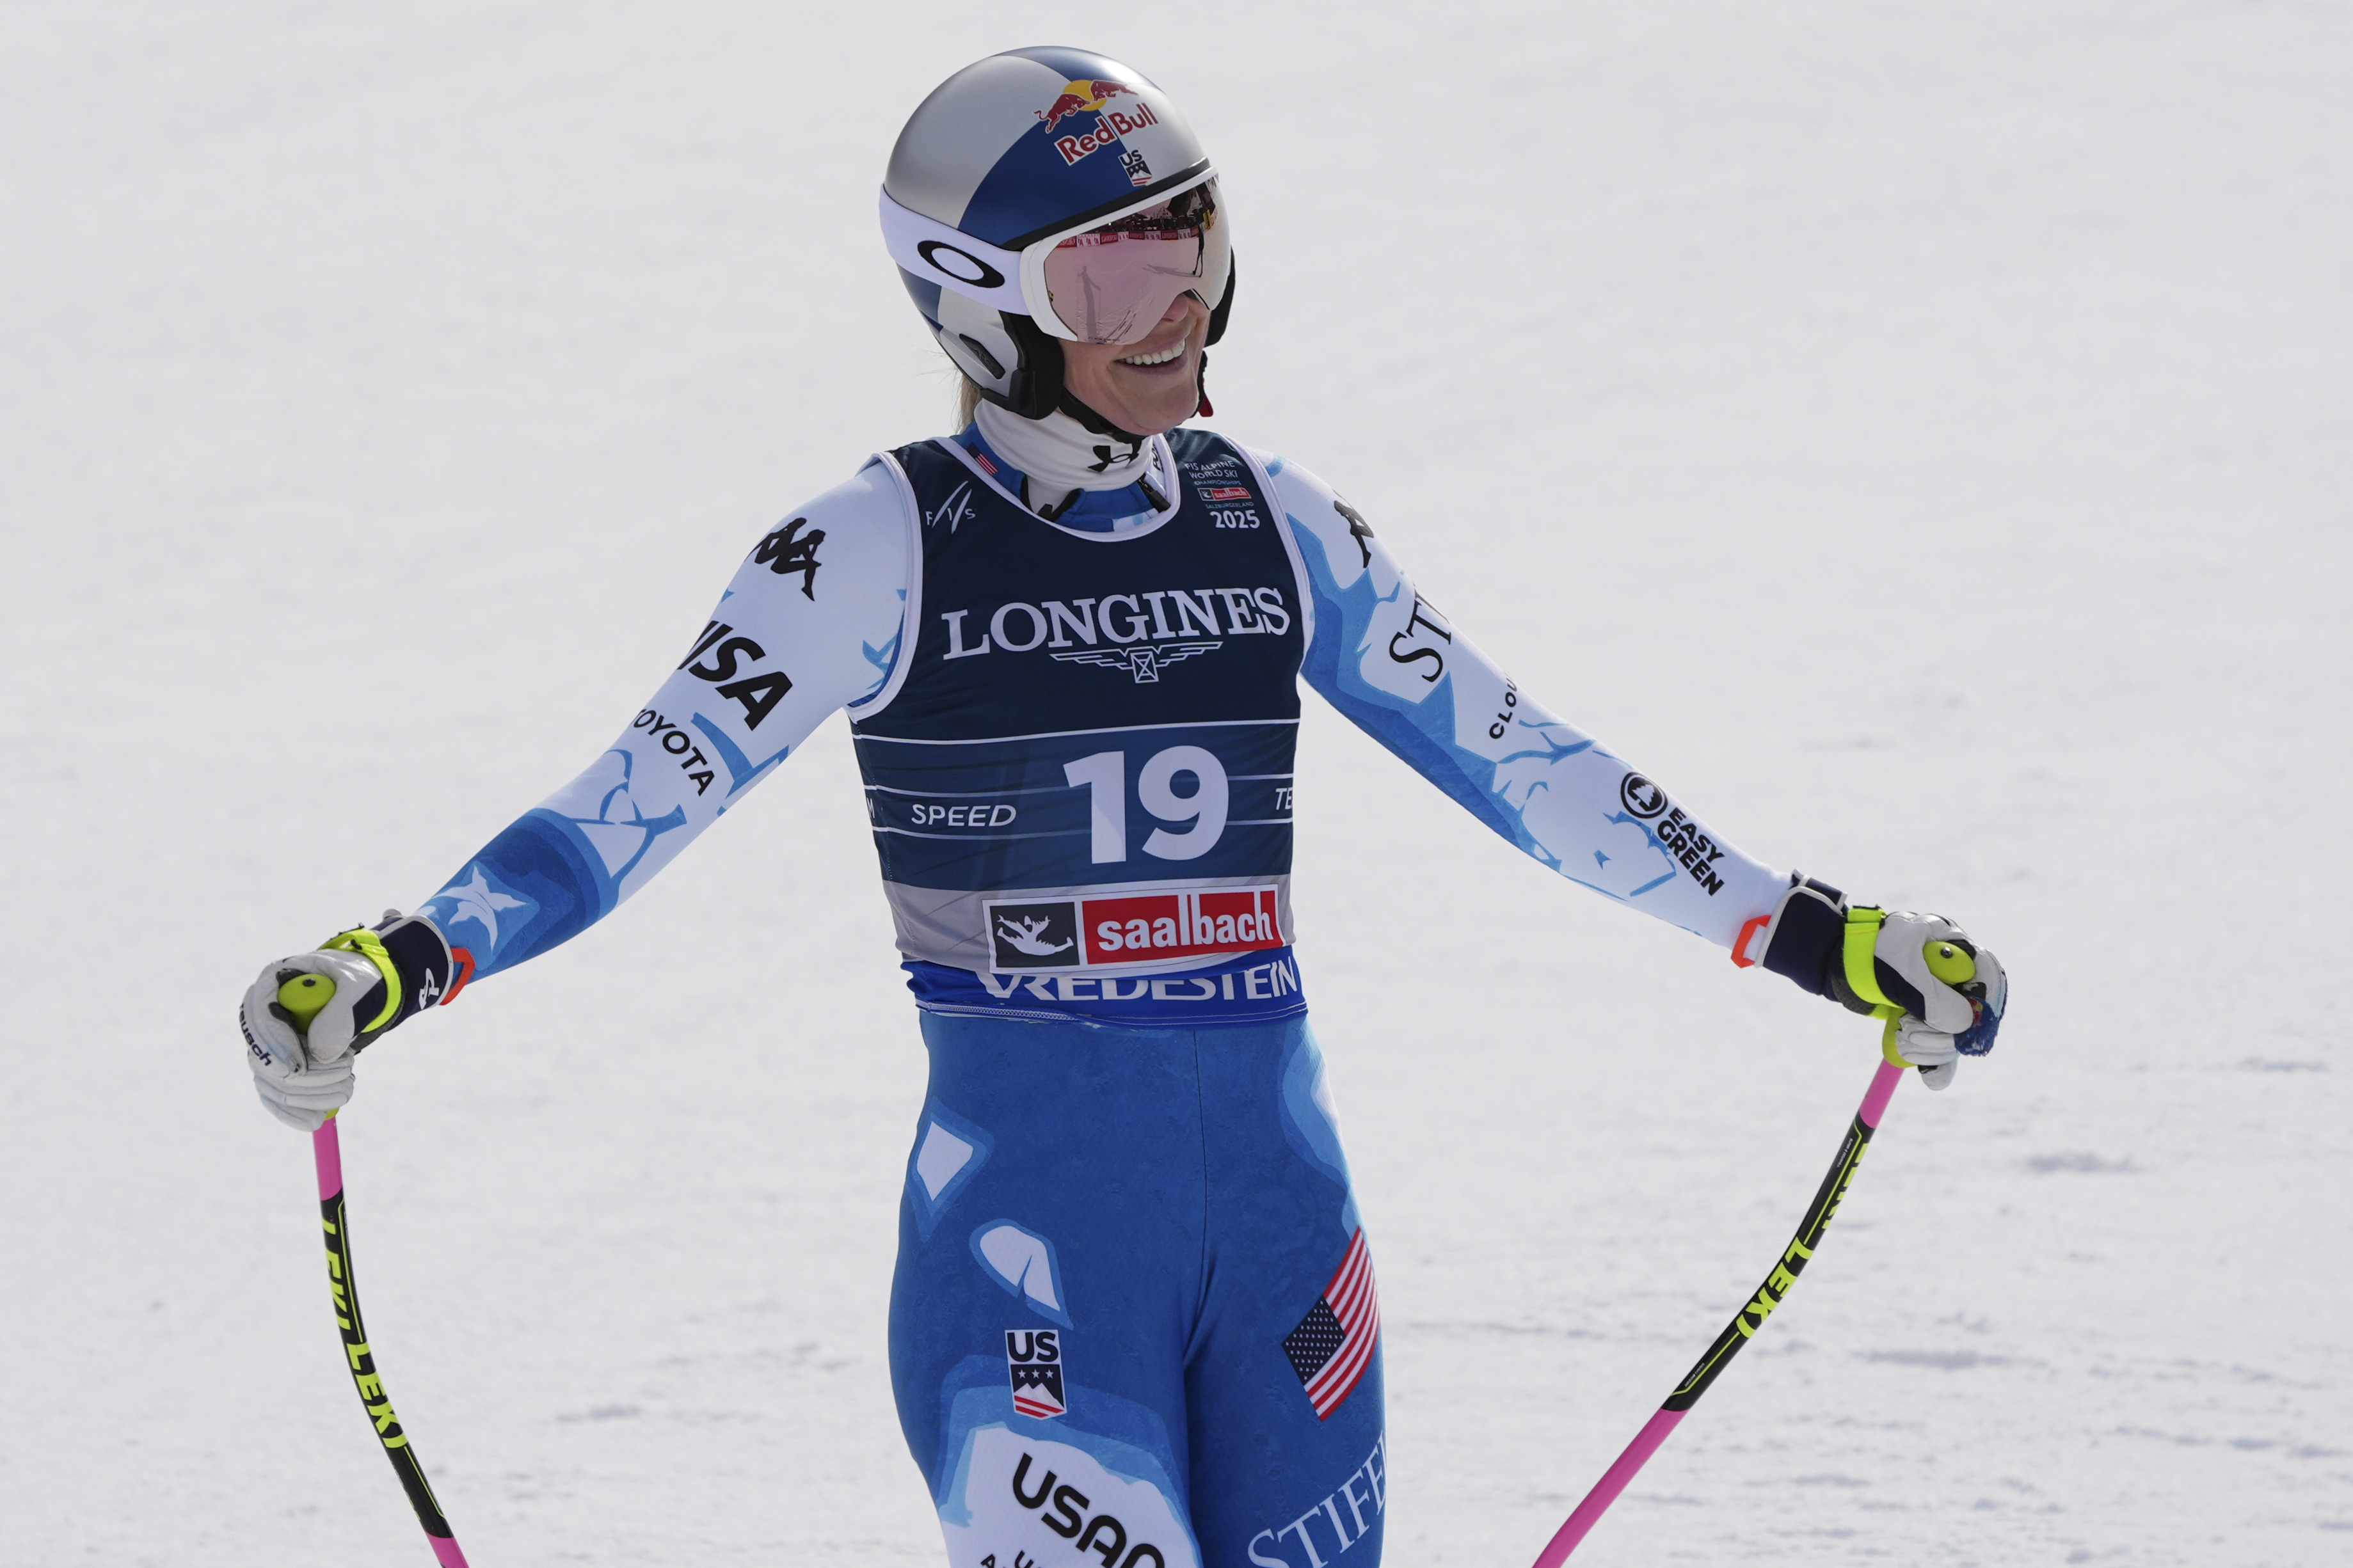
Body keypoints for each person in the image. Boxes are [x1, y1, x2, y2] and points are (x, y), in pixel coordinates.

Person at [239, 46, 2007, 1568]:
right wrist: (398, 964)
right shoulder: (874, 547)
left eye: (1196, 253)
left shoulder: (1270, 520)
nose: (1177, 317)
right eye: (1111, 279)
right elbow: (616, 812)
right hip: (1030, 1274)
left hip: (1288, 1262)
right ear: (978, 298)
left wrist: (1814, 933)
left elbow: (1527, 760)